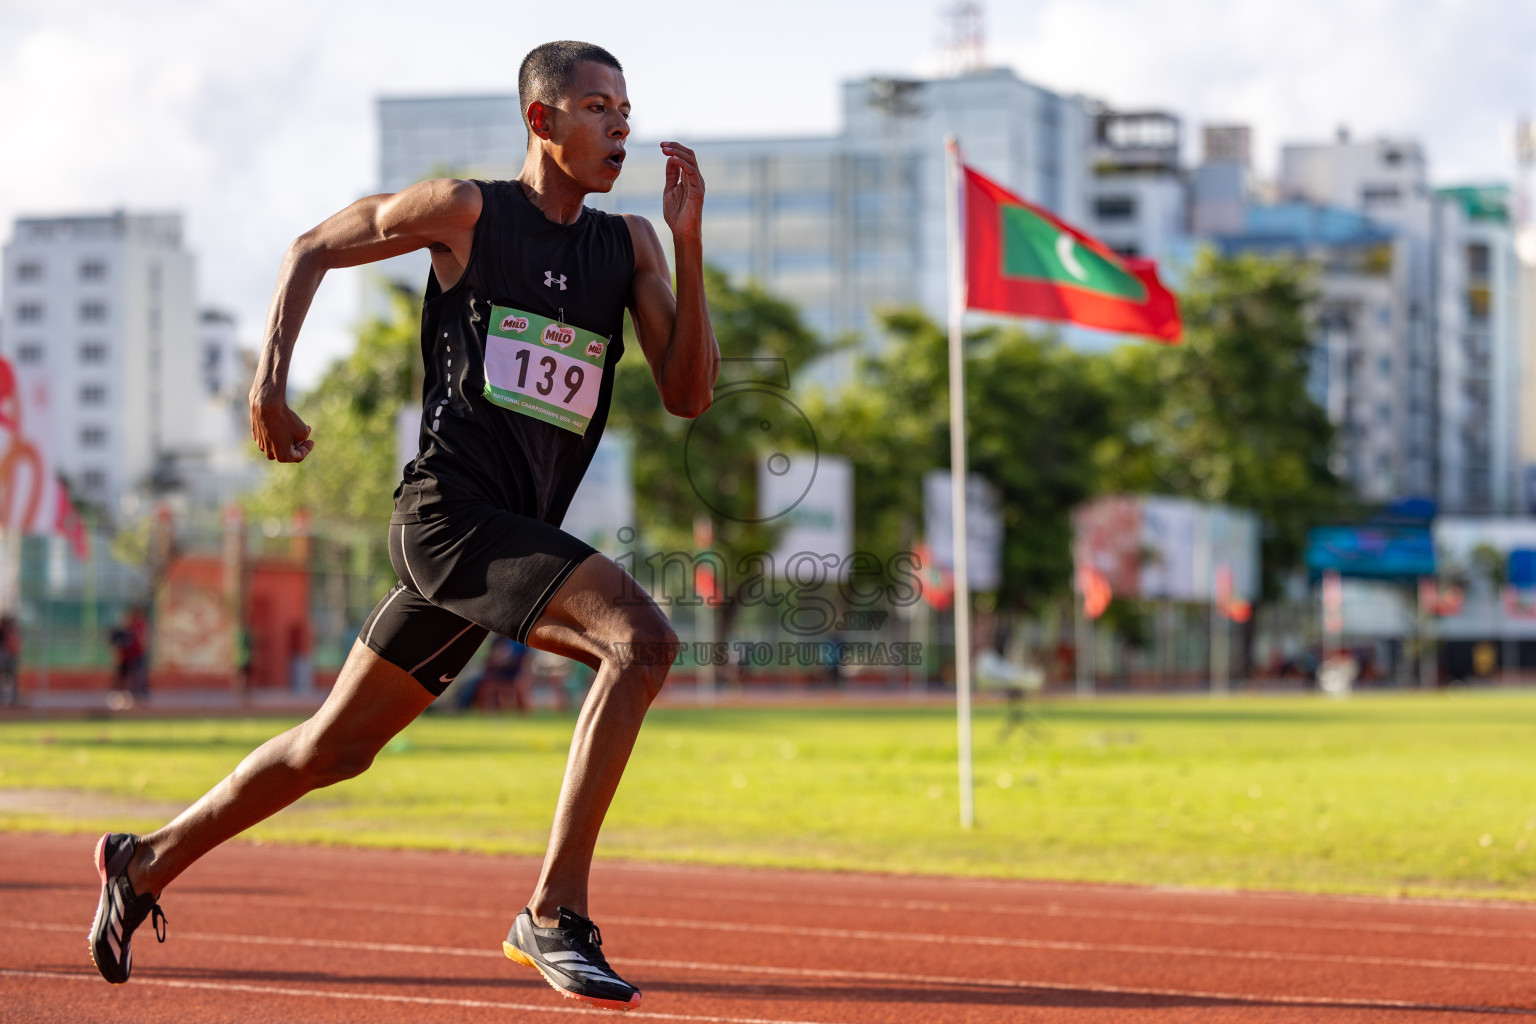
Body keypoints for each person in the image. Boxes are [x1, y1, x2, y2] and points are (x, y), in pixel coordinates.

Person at [88, 40, 716, 1013]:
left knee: (331, 750)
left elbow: (688, 395)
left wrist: (689, 241)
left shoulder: (628, 246)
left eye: (626, 109)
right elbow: (313, 247)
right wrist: (268, 384)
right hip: (451, 519)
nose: (621, 125)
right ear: (541, 121)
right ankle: (554, 914)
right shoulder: (468, 210)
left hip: (508, 536)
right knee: (642, 639)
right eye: (596, 107)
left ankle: (142, 862)